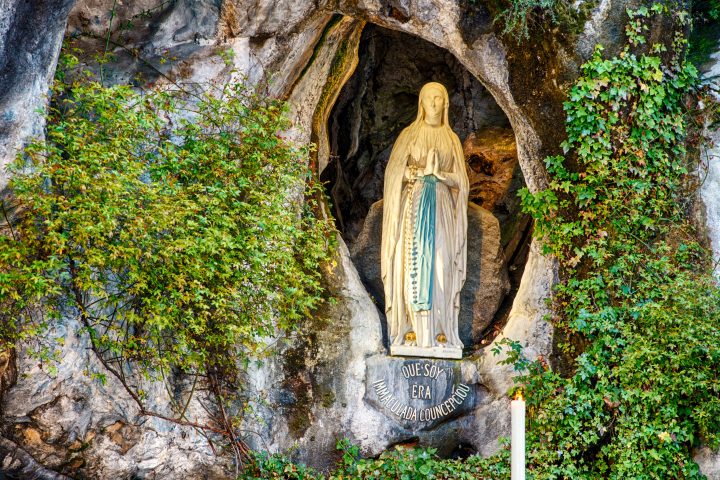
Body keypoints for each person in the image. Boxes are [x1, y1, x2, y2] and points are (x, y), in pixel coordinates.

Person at [381, 82, 469, 355]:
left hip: (441, 208)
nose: (433, 104)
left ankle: (441, 331)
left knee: (441, 266)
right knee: (411, 266)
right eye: (429, 99)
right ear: (421, 103)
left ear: (445, 104)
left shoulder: (451, 139)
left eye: (439, 99)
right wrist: (414, 174)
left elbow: (462, 182)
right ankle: (411, 331)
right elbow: (394, 173)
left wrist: (440, 176)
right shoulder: (410, 134)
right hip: (413, 208)